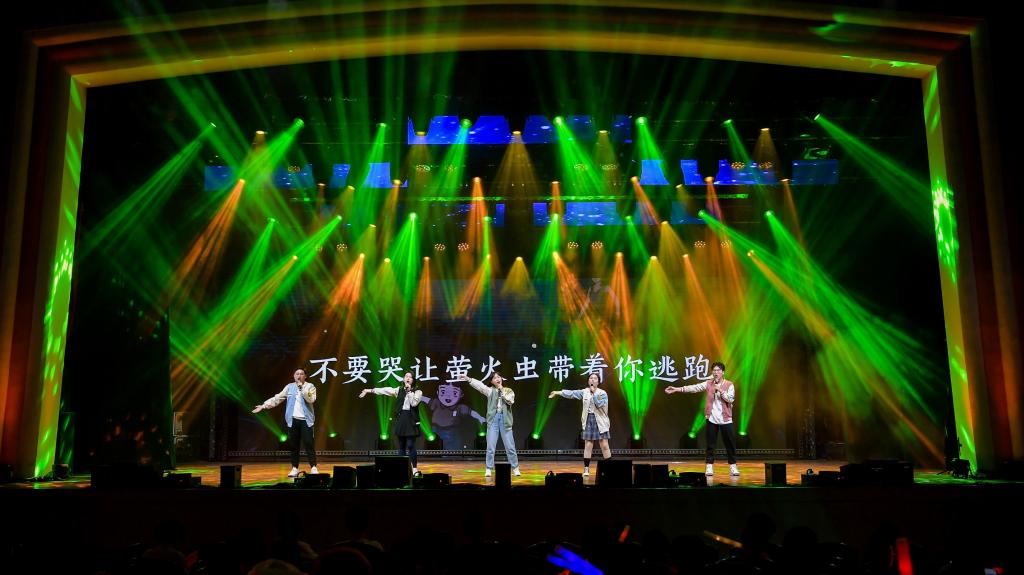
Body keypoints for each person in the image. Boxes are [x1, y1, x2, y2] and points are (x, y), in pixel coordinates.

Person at [664, 361, 739, 476]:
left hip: (726, 419)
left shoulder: (729, 384)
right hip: (711, 418)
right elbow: (694, 388)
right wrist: (677, 389)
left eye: (718, 370)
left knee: (730, 444)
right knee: (710, 444)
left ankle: (733, 467)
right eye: (714, 370)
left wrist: (720, 390)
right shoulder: (709, 383)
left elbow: (730, 399)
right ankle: (709, 466)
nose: (716, 372)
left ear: (723, 372)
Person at [253, 368, 317, 477]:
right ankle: (294, 468)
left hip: (306, 421)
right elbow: (277, 398)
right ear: (294, 376)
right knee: (294, 445)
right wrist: (264, 406)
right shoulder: (289, 387)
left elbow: (311, 399)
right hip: (292, 420)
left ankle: (313, 467)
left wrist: (302, 388)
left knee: (308, 443)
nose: (299, 375)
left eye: (301, 374)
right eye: (297, 374)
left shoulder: (310, 386)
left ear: (305, 376)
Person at [360, 372, 424, 474]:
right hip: (401, 419)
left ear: (413, 380)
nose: (408, 378)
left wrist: (409, 391)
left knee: (410, 445)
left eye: (410, 377)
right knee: (401, 446)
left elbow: (414, 403)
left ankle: (415, 469)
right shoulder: (398, 390)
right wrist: (369, 390)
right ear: (404, 379)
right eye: (406, 376)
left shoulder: (418, 392)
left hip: (411, 419)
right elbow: (384, 390)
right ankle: (402, 469)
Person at [458, 372, 521, 477]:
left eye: (499, 377)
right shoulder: (490, 391)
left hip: (505, 420)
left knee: (510, 447)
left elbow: (510, 401)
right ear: (491, 381)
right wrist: (468, 378)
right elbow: (480, 386)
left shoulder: (508, 390)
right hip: (493, 420)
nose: (497, 379)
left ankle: (515, 468)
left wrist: (501, 390)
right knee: (490, 447)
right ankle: (488, 468)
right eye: (495, 378)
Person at [548, 373, 611, 476]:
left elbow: (599, 404)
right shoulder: (584, 392)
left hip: (600, 421)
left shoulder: (602, 393)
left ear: (598, 381)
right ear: (588, 381)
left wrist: (593, 392)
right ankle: (586, 469)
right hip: (588, 419)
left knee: (604, 445)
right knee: (588, 445)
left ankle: (609, 468)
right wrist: (557, 392)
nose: (593, 380)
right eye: (591, 378)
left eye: (595, 378)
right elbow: (572, 393)